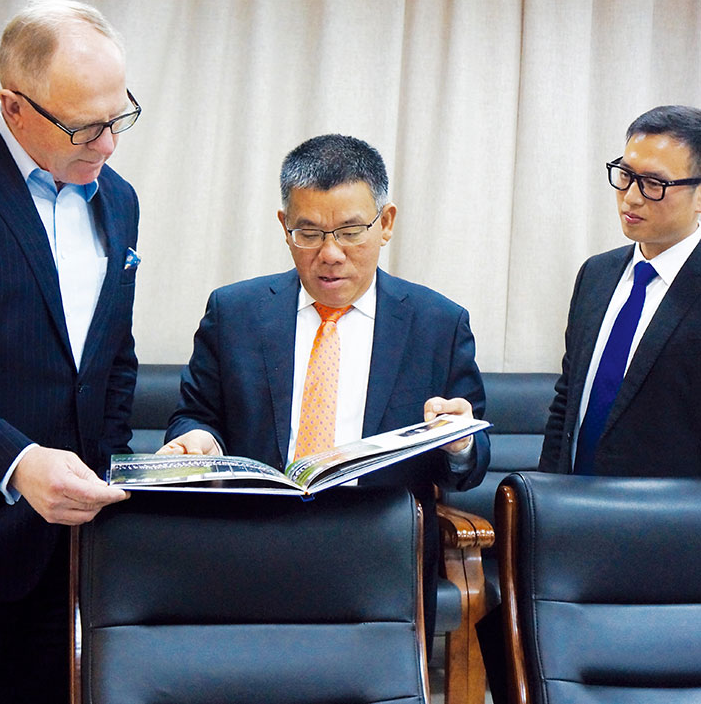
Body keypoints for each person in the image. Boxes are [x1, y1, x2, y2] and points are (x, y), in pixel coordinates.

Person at [161, 133, 490, 644]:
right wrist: (199, 440)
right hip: (251, 542)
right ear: (284, 227)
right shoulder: (235, 312)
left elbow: (472, 463)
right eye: (309, 233)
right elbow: (196, 415)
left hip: (380, 556)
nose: (330, 254)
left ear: (386, 223)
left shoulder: (437, 323)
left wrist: (460, 442)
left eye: (351, 231)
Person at [0, 2, 141, 702]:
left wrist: (114, 467)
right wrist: (16, 462)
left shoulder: (119, 200)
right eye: (85, 126)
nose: (108, 145)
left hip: (78, 554)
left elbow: (111, 354)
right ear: (13, 106)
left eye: (119, 117)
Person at [540, 105, 701, 476]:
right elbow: (567, 400)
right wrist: (545, 491)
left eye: (654, 184)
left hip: (663, 508)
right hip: (570, 499)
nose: (631, 197)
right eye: (626, 175)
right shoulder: (596, 275)